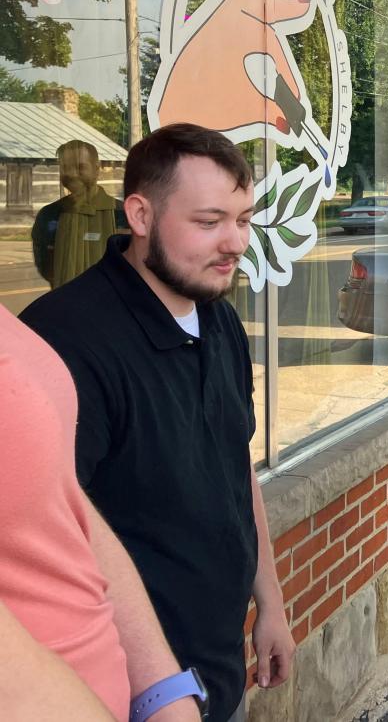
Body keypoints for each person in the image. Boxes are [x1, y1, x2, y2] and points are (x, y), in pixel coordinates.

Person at [21, 124, 294, 721]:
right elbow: (48, 541)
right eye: (209, 221)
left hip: (218, 668)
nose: (235, 243)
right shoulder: (66, 342)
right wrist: (157, 692)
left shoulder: (216, 317)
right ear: (140, 214)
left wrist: (269, 602)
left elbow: (233, 461)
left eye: (244, 220)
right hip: (123, 692)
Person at [1, 305, 204, 722]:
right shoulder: (77, 325)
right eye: (208, 231)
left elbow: (59, 497)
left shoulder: (218, 324)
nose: (236, 245)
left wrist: (163, 691)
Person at [31, 139, 127, 288]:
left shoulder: (122, 214)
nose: (72, 174)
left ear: (97, 169)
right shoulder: (49, 215)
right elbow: (45, 266)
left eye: (80, 167)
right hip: (64, 304)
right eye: (65, 167)